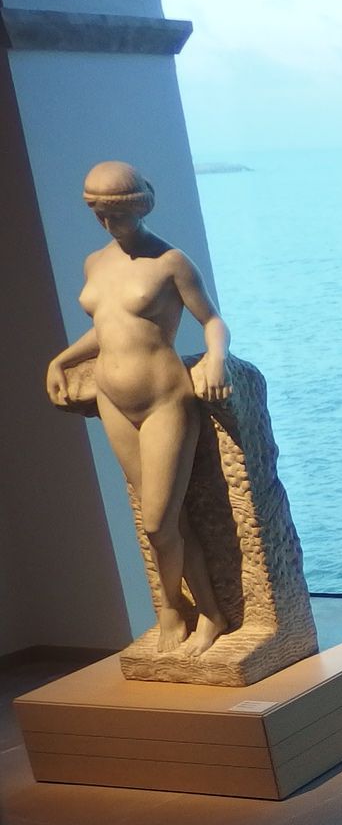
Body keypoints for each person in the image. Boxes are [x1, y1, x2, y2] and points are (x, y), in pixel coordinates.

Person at [46, 161, 233, 656]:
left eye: (117, 213)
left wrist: (216, 358)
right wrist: (62, 360)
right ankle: (183, 611)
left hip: (164, 398)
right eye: (99, 213)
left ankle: (200, 611)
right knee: (168, 520)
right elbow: (108, 326)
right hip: (112, 399)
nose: (108, 223)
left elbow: (212, 320)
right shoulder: (95, 263)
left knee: (157, 521)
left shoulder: (170, 261)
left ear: (140, 206)